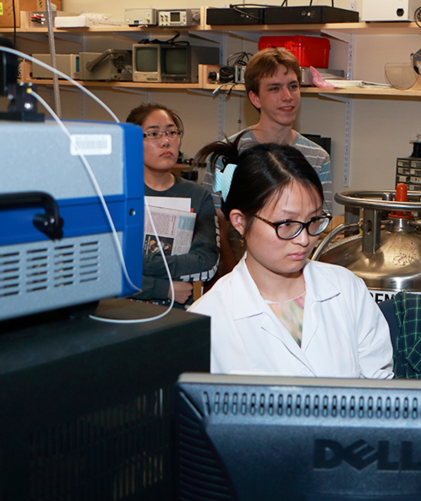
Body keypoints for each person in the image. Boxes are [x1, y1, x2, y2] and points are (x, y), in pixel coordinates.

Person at [190, 141, 392, 378]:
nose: (305, 239)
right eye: (286, 224)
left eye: (314, 220)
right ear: (240, 221)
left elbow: (379, 389)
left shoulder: (347, 290)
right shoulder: (208, 319)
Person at [203, 47, 332, 276]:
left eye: (293, 86)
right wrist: (231, 273)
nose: (287, 96)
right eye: (274, 88)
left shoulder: (318, 158)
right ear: (255, 98)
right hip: (235, 271)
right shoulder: (229, 155)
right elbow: (216, 220)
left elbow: (319, 221)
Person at [126, 103, 219, 308]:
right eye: (153, 134)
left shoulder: (198, 195)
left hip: (178, 314)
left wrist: (137, 265)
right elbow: (106, 270)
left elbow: (207, 264)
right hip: (123, 312)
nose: (166, 141)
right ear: (132, 142)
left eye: (171, 132)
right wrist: (164, 288)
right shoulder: (119, 195)